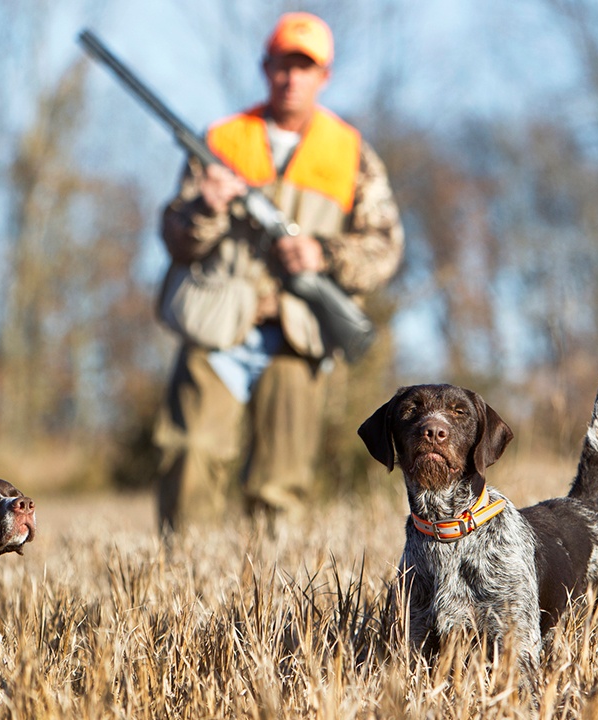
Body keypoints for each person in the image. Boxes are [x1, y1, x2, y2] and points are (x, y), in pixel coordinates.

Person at [154, 12, 404, 532]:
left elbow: (385, 247)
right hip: (219, 322)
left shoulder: (351, 152)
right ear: (264, 68)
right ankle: (184, 575)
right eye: (282, 65)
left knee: (280, 484)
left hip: (298, 331)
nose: (291, 77)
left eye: (304, 67)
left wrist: (324, 255)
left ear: (324, 76)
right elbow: (175, 238)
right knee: (190, 456)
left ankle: (265, 595)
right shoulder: (222, 139)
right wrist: (205, 206)